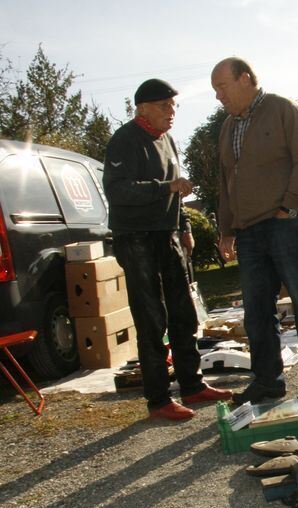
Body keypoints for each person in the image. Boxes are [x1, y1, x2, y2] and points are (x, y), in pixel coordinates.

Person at [211, 57, 298, 407]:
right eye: (215, 90)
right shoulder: (226, 128)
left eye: (222, 86)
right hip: (248, 232)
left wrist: (290, 207)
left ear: (245, 78)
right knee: (255, 311)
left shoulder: (284, 109)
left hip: (285, 224)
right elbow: (225, 182)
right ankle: (268, 381)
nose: (218, 96)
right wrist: (226, 230)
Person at [103, 78, 232, 421]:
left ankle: (192, 384)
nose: (171, 112)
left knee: (182, 312)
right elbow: (117, 191)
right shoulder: (124, 140)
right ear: (142, 108)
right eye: (164, 106)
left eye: (174, 106)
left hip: (168, 235)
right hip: (135, 238)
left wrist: (185, 227)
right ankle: (158, 399)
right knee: (151, 319)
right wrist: (166, 187)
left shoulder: (168, 140)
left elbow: (177, 191)